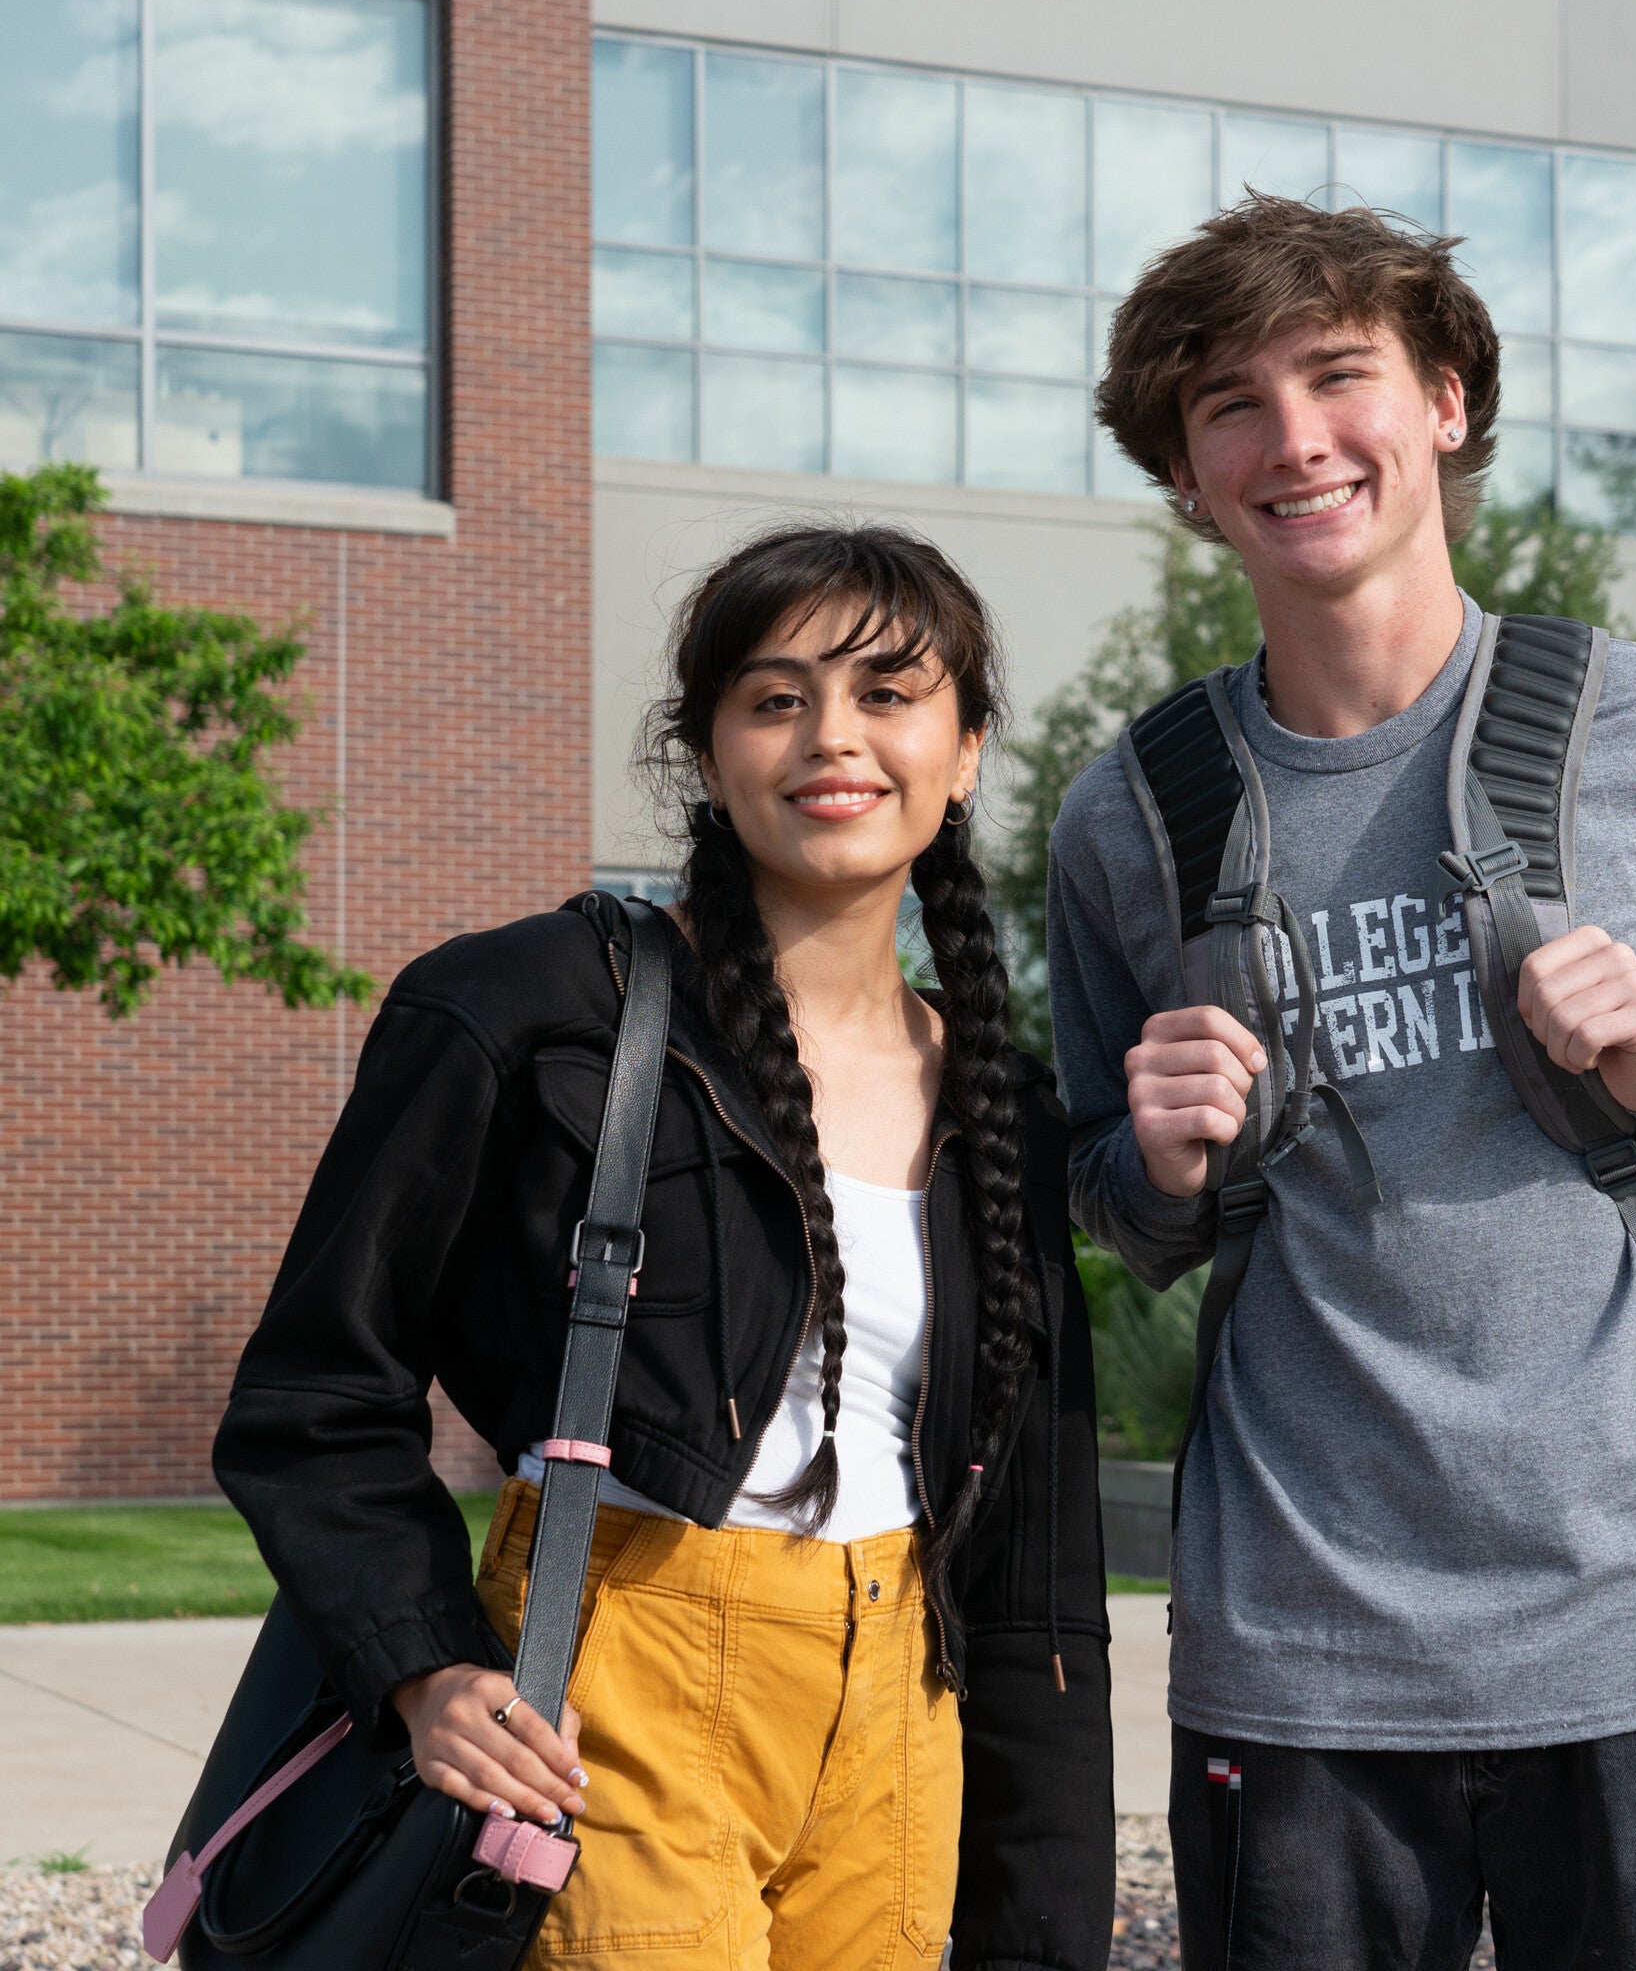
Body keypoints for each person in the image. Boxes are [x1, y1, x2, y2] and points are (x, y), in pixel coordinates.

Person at [1047, 195, 1636, 1970]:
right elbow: (1106, 1206)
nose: (1293, 439)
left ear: (1443, 404)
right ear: (1188, 475)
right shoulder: (1130, 814)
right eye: (1228, 404)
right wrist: (1155, 1166)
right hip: (1296, 1663)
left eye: (1339, 374)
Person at [213, 522, 1115, 1971]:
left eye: (890, 694)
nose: (835, 738)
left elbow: (1035, 1571)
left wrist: (1045, 1930)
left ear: (966, 751)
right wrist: (426, 1667)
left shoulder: (1003, 1107)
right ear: (705, 751)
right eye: (775, 699)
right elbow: (315, 1396)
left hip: (904, 1707)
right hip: (616, 1680)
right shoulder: (532, 1010)